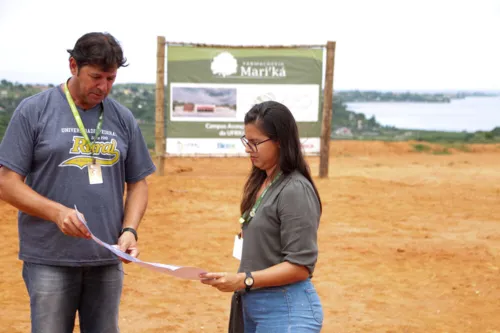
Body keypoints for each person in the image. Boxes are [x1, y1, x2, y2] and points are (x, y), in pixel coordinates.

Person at [0, 32, 156, 333]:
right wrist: (56, 212)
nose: (103, 87)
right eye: (96, 77)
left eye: (110, 79)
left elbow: (138, 182)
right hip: (49, 258)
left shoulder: (122, 118)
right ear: (73, 66)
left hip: (106, 258)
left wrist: (129, 230)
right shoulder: (35, 111)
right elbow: (7, 182)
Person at [200, 101, 324, 332]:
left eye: (256, 143)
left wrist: (244, 280)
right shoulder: (263, 181)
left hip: (286, 311)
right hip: (254, 308)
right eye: (247, 141)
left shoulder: (295, 189)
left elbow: (300, 266)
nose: (248, 149)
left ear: (280, 141)